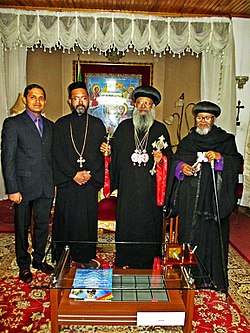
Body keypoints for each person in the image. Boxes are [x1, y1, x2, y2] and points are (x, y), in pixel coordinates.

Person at [167, 101, 243, 292]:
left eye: (206, 118)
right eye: (199, 117)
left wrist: (219, 158)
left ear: (214, 119)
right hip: (190, 197)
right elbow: (176, 159)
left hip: (213, 198)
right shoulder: (188, 140)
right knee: (189, 233)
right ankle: (188, 274)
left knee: (210, 235)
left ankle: (210, 277)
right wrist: (181, 167)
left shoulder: (225, 140)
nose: (202, 121)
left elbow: (235, 161)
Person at [101, 85, 173, 269]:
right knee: (127, 223)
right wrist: (108, 153)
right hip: (128, 188)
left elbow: (170, 160)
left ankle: (150, 260)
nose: (143, 107)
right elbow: (114, 157)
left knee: (149, 224)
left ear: (152, 107)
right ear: (134, 105)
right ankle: (125, 258)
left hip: (150, 189)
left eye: (147, 103)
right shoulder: (124, 127)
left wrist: (161, 160)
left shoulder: (160, 129)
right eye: (140, 103)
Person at [1, 83, 55, 283]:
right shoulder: (13, 124)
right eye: (33, 97)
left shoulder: (51, 126)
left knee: (42, 225)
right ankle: (23, 264)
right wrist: (12, 188)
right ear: (25, 99)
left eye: (41, 97)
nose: (37, 101)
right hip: (22, 187)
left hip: (45, 185)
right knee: (22, 227)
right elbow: (7, 158)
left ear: (45, 101)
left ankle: (39, 259)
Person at [52, 81, 106, 267]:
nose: (80, 102)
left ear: (89, 100)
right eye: (76, 98)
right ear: (69, 101)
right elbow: (57, 153)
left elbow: (101, 153)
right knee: (65, 219)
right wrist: (73, 174)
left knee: (86, 221)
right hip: (68, 183)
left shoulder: (98, 125)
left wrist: (89, 174)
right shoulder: (61, 124)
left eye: (84, 98)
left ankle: (85, 256)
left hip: (89, 183)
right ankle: (63, 257)